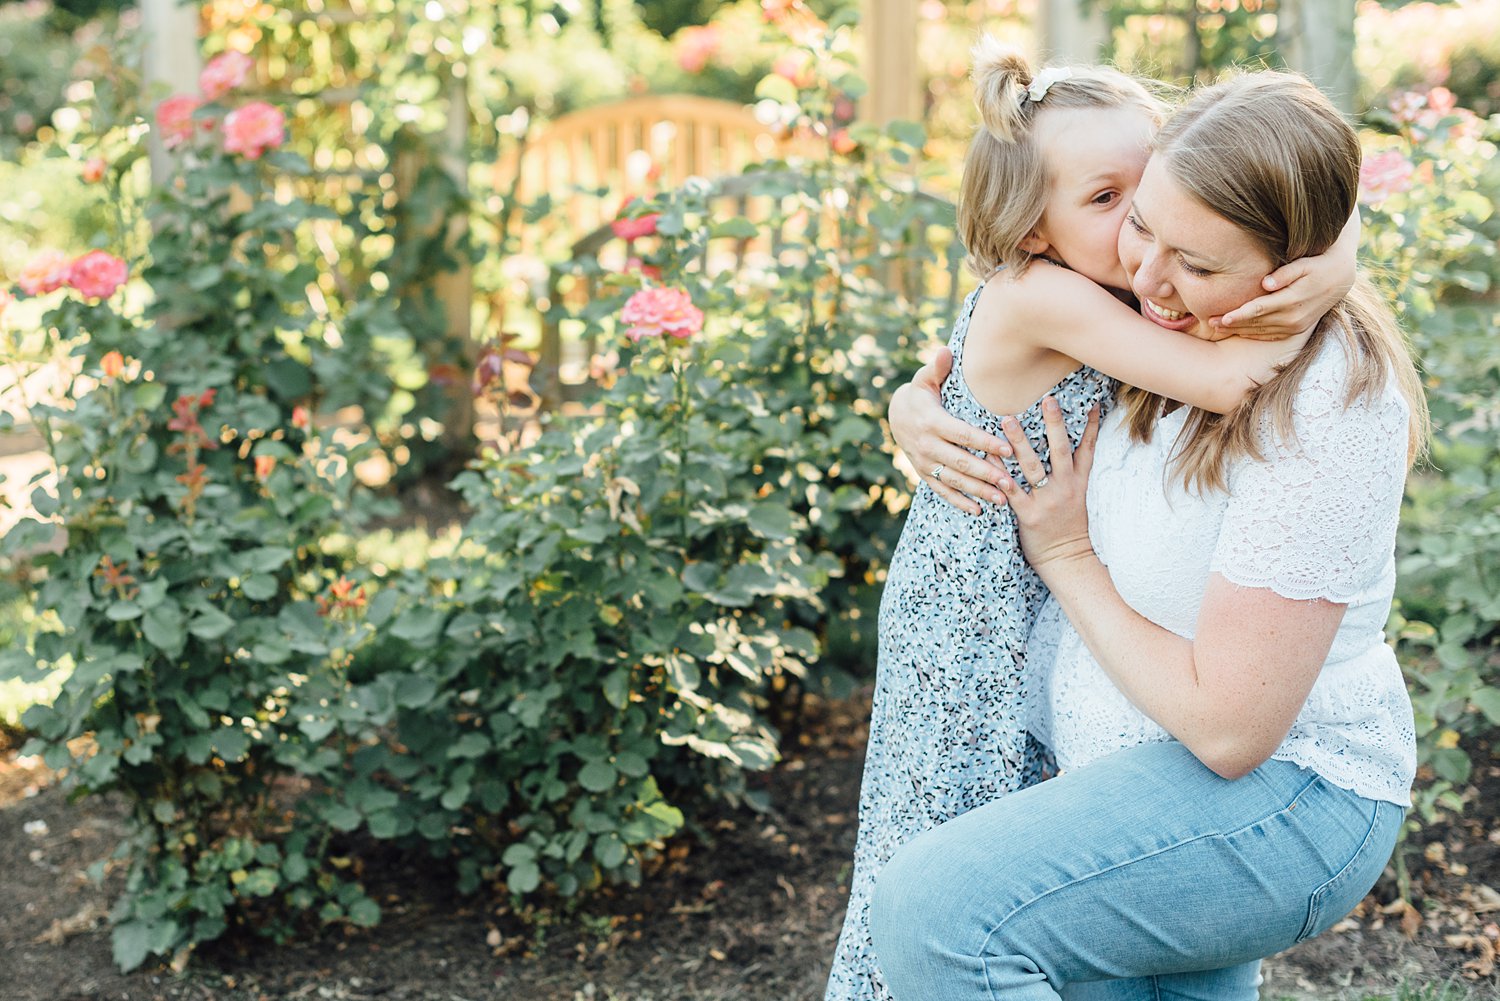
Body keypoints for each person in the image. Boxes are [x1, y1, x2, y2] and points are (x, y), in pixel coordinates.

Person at [868, 70, 1429, 1001]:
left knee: (938, 911)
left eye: (1197, 262)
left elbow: (1230, 728)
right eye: (1135, 222)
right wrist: (911, 406)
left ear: (1284, 259)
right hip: (1108, 755)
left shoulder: (1318, 390)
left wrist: (1065, 555)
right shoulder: (1145, 311)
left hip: (1278, 786)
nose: (1149, 275)